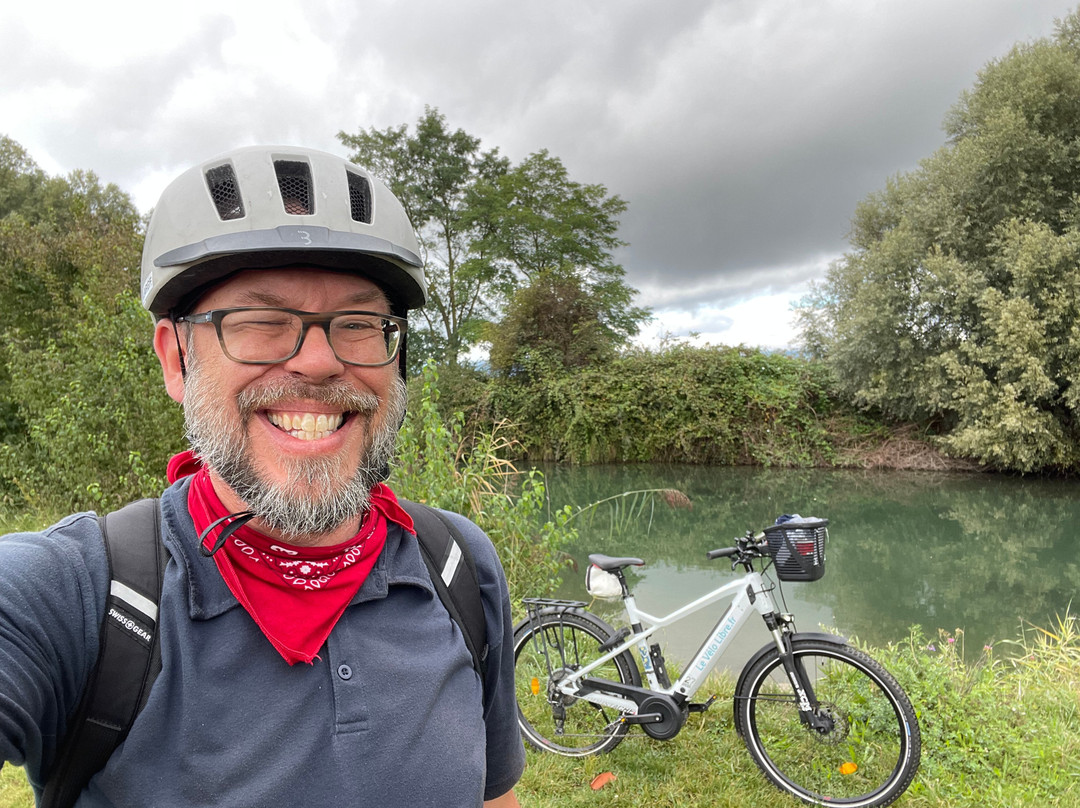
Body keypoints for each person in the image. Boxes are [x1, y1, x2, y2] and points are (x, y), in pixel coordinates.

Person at [0, 145, 525, 806]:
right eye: (260, 321)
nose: (316, 362)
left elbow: (491, 794)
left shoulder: (458, 568)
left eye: (359, 324)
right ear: (175, 359)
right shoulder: (77, 599)